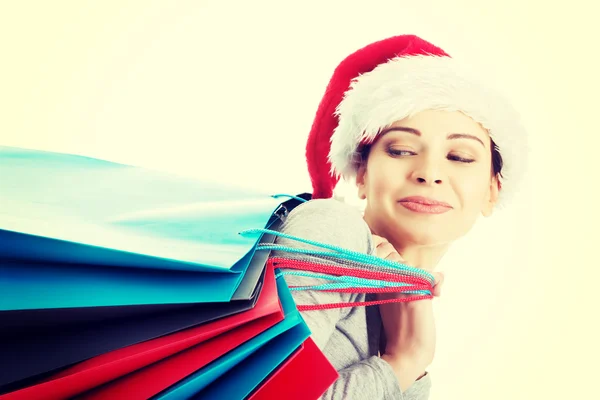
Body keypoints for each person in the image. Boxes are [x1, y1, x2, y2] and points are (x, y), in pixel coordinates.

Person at [271, 35, 528, 400]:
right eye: (402, 149)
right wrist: (405, 361)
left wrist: (409, 366)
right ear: (361, 174)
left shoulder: (405, 317)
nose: (429, 172)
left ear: (492, 190)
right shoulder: (334, 229)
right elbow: (268, 391)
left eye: (460, 157)